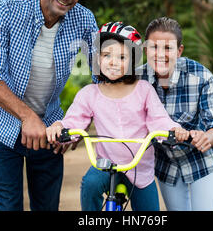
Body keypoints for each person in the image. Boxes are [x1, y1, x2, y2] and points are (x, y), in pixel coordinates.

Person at [0, 0, 98, 211]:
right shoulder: (8, 8)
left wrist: (80, 122)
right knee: (9, 207)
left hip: (50, 130)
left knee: (47, 208)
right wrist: (27, 117)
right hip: (1, 124)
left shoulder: (85, 19)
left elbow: (103, 75)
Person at [46, 21, 190, 211]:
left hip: (139, 167)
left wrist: (173, 131)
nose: (113, 62)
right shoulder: (89, 93)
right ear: (98, 58)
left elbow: (158, 120)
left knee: (149, 211)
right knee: (90, 185)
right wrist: (59, 128)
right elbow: (74, 120)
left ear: (131, 62)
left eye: (122, 57)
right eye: (107, 55)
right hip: (105, 165)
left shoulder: (143, 90)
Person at [138, 17, 213, 211]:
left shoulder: (200, 76)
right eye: (154, 47)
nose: (160, 54)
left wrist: (206, 136)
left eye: (168, 48)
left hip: (202, 160)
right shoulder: (136, 79)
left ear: (179, 51)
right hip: (166, 162)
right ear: (145, 49)